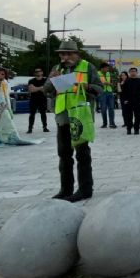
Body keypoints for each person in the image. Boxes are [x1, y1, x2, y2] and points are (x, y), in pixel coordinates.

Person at [43, 40, 102, 202]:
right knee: (64, 154)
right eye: (62, 54)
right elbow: (47, 91)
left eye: (69, 53)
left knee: (82, 154)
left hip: (80, 117)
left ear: (77, 54)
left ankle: (85, 189)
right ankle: (66, 189)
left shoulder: (87, 67)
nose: (65, 57)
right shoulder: (57, 69)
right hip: (62, 116)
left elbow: (99, 89)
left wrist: (86, 86)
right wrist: (50, 79)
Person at [0, 69, 43, 147]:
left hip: (3, 106)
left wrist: (7, 107)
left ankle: (7, 137)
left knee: (6, 121)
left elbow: (6, 96)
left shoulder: (4, 83)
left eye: (2, 74)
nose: (0, 75)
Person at [120, 67, 140, 135]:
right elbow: (124, 92)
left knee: (138, 116)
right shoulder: (127, 81)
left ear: (137, 72)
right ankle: (129, 129)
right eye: (131, 71)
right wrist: (125, 100)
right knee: (129, 116)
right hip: (128, 102)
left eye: (134, 71)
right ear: (129, 73)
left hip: (138, 101)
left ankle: (136, 129)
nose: (133, 72)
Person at [26, 67, 50, 134]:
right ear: (34, 73)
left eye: (39, 71)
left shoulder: (45, 80)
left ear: (42, 72)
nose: (38, 72)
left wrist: (36, 88)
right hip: (33, 99)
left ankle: (45, 127)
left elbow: (46, 89)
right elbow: (31, 90)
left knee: (43, 114)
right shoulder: (31, 81)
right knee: (32, 114)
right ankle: (30, 128)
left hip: (42, 99)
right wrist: (41, 88)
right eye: (36, 71)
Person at [97, 63, 118, 129]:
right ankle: (105, 123)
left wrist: (111, 84)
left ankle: (112, 123)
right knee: (103, 109)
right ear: (102, 68)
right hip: (102, 92)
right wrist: (103, 83)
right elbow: (96, 82)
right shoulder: (97, 74)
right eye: (106, 68)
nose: (107, 69)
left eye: (108, 68)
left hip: (109, 92)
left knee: (111, 108)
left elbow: (114, 82)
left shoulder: (109, 74)